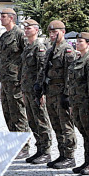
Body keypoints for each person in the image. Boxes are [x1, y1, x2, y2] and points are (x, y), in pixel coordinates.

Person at [0, 8, 31, 158]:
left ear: (12, 18)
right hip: (5, 81)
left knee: (18, 113)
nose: (1, 19)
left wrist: (25, 77)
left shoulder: (19, 34)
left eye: (3, 17)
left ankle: (24, 146)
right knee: (7, 112)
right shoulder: (3, 36)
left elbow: (27, 56)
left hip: (17, 81)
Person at [36, 20, 77, 169]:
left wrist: (67, 94)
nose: (52, 35)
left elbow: (70, 75)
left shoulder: (68, 50)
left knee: (66, 125)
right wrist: (39, 87)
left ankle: (70, 155)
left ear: (63, 32)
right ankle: (62, 154)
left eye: (55, 32)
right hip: (51, 92)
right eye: (50, 32)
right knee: (56, 125)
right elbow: (44, 70)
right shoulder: (50, 50)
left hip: (61, 92)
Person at [67, 32, 89, 174]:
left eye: (80, 41)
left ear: (88, 44)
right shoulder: (77, 60)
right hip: (77, 103)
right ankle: (87, 161)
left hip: (87, 104)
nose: (77, 43)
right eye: (77, 41)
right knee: (84, 132)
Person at [19, 19, 52, 164]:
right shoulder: (27, 47)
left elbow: (42, 70)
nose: (26, 30)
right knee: (32, 121)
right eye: (25, 28)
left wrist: (41, 91)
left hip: (36, 90)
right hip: (27, 89)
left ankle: (46, 151)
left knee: (41, 120)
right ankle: (39, 149)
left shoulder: (39, 47)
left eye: (29, 28)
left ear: (36, 30)